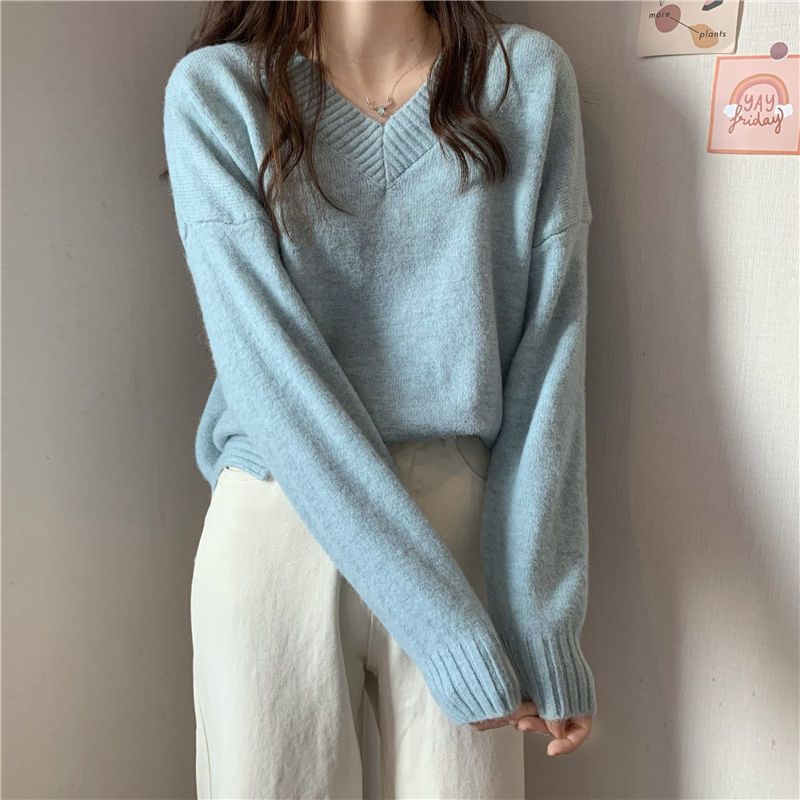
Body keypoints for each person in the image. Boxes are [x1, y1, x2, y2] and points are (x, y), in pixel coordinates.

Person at [162, 1, 598, 797]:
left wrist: (541, 619)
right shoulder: (219, 92)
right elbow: (267, 370)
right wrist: (444, 625)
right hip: (279, 513)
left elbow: (551, 360)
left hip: (463, 527)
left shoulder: (525, 80)